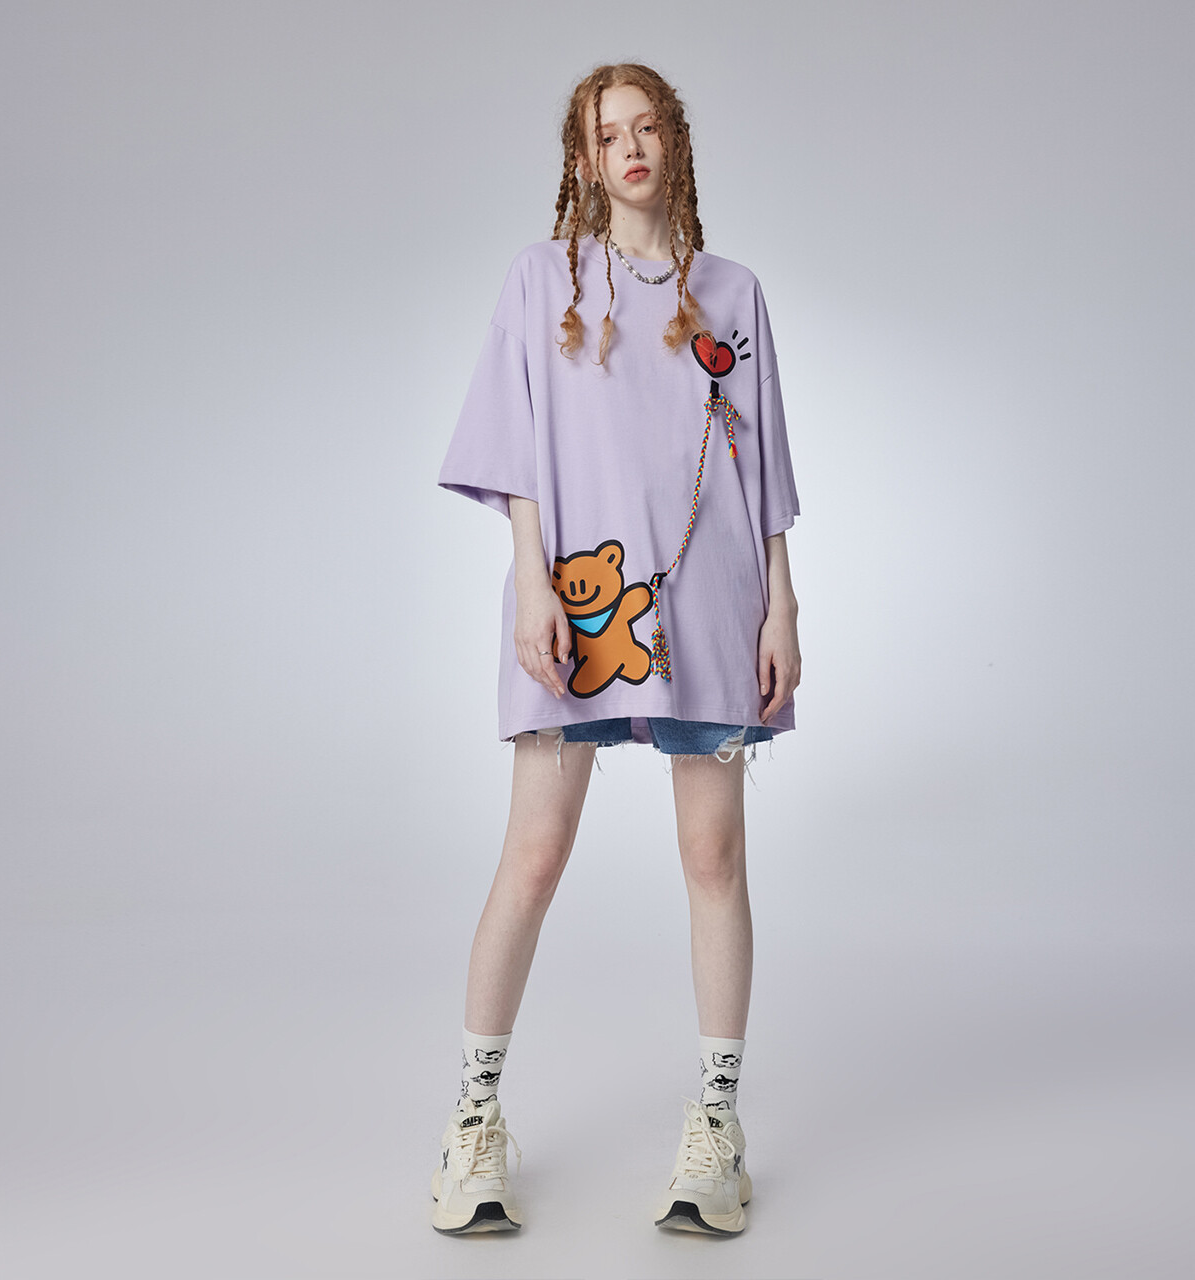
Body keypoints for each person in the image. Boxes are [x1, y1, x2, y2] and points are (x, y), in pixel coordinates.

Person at [432, 62, 801, 1237]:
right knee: (534, 854)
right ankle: (472, 1119)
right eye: (608, 134)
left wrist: (781, 606)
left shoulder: (733, 294)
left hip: (712, 604)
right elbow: (513, 447)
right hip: (577, 614)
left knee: (712, 855)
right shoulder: (541, 279)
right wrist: (529, 579)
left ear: (674, 143)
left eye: (647, 127)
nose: (630, 147)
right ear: (583, 160)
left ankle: (716, 1126)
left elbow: (761, 469)